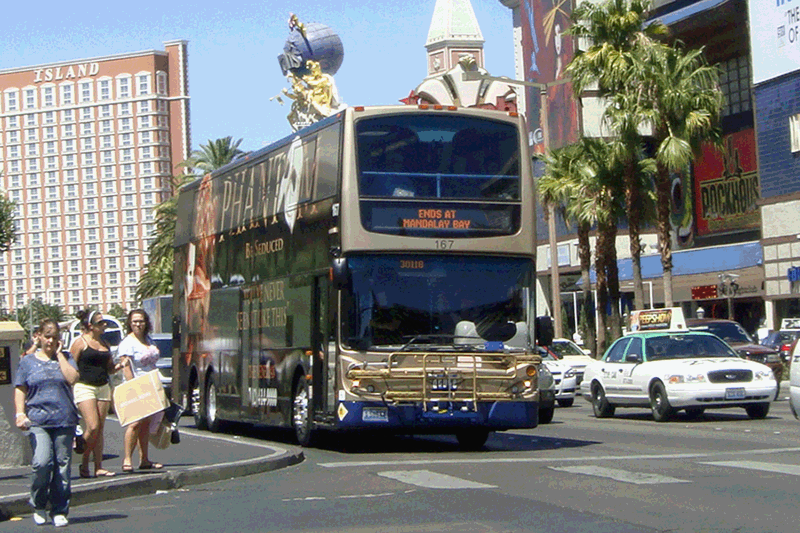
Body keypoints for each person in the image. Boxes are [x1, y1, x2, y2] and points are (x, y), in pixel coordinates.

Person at [14, 319, 79, 527]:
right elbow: (20, 388)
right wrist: (19, 413)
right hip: (38, 420)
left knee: (62, 466)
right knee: (42, 463)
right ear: (39, 336)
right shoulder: (28, 362)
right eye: (47, 336)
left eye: (54, 337)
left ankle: (59, 509)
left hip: (64, 419)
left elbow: (72, 378)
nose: (51, 341)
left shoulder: (66, 358)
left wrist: (60, 355)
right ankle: (39, 503)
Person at [70, 309, 126, 478]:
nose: (104, 325)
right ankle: (81, 447)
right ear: (90, 326)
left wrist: (119, 365)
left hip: (103, 386)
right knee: (92, 425)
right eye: (100, 322)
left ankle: (95, 466)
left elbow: (109, 368)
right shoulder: (80, 343)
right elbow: (71, 366)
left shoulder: (105, 344)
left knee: (99, 429)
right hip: (84, 386)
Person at [117, 309, 164, 472]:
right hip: (135, 385)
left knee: (146, 424)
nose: (138, 324)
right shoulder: (127, 343)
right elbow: (126, 366)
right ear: (130, 323)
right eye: (135, 321)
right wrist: (133, 387)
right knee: (135, 423)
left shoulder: (149, 339)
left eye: (141, 321)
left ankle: (144, 459)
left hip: (151, 384)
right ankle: (127, 459)